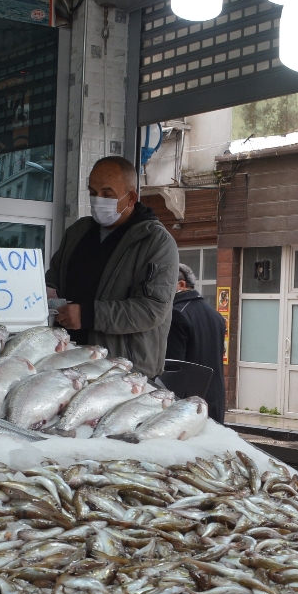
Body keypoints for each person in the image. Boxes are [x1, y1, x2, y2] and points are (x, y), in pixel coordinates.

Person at [45, 156, 178, 377]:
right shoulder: (78, 232)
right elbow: (56, 272)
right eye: (93, 192)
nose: (98, 200)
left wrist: (88, 315)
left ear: (131, 198)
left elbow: (151, 310)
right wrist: (50, 287)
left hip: (122, 372)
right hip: (68, 363)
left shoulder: (156, 243)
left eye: (107, 194)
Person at [166, 263, 227, 423]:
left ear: (181, 285)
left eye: (165, 285)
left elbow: (173, 369)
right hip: (215, 402)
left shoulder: (176, 314)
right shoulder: (215, 315)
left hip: (188, 407)